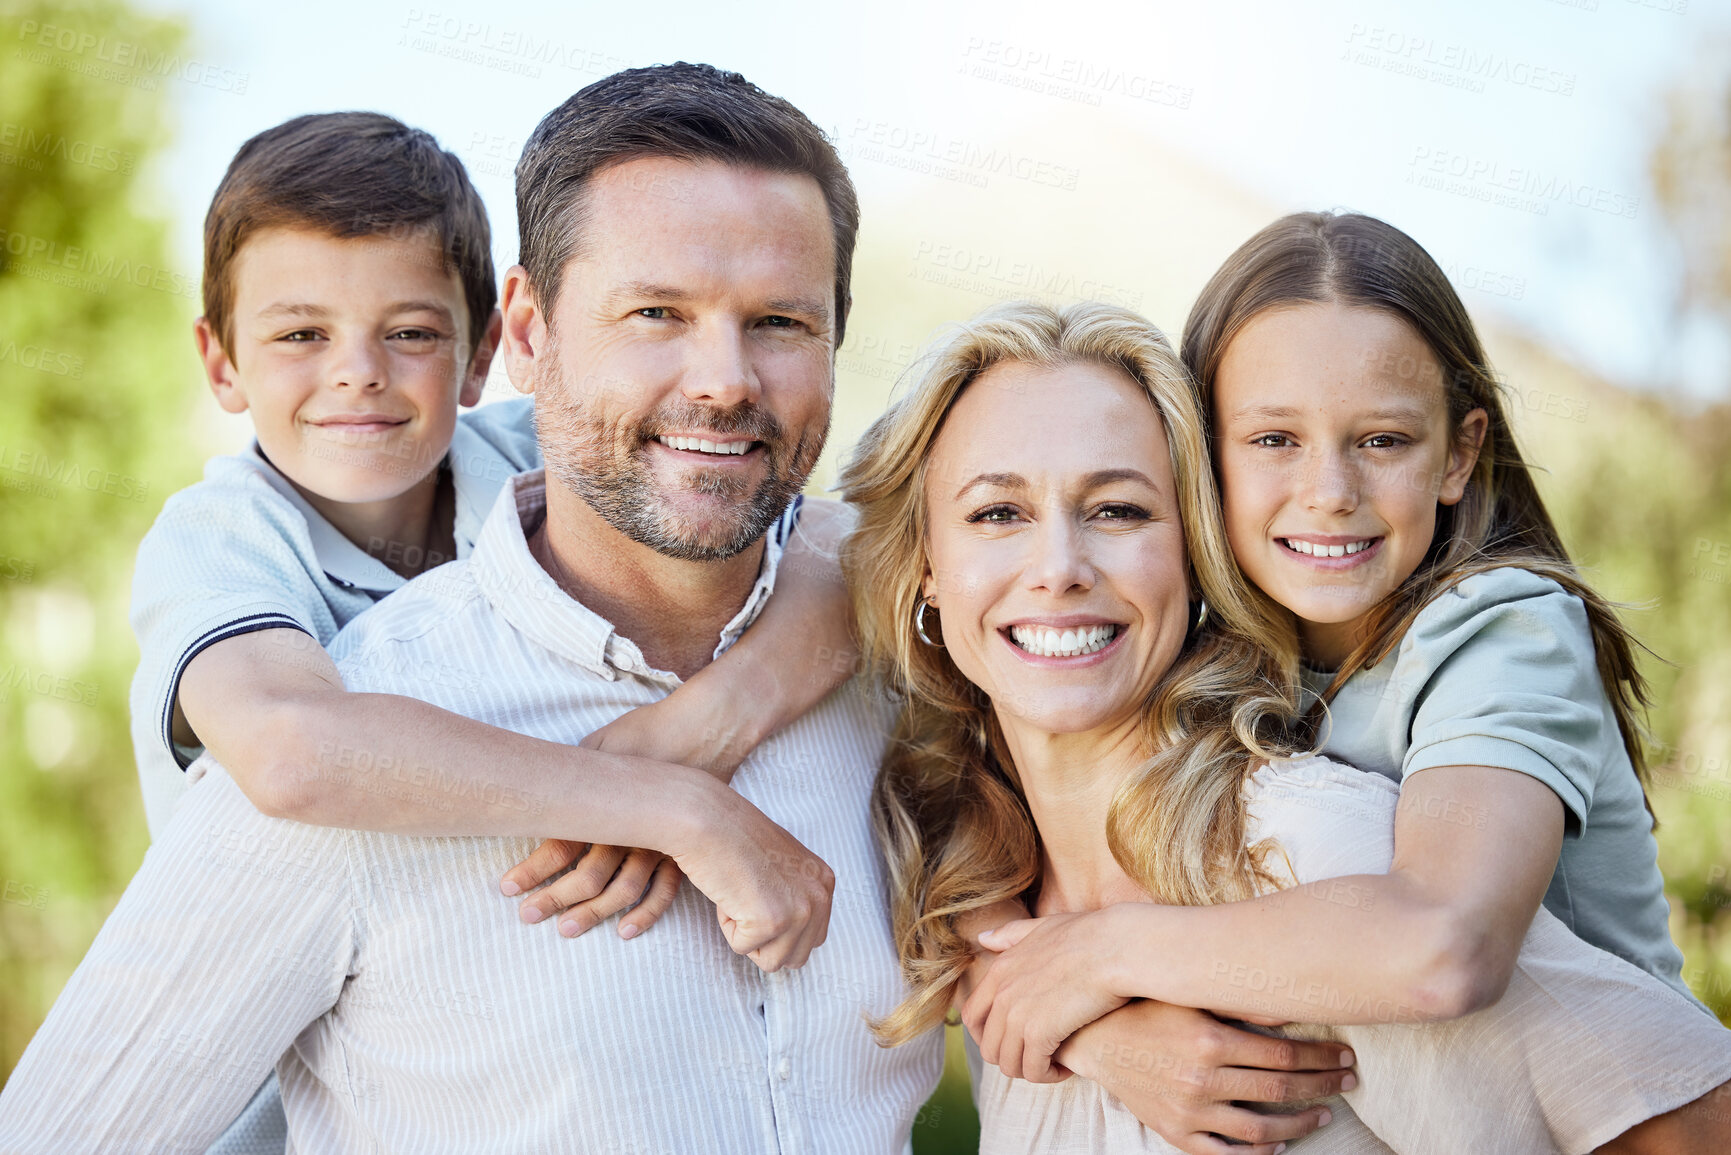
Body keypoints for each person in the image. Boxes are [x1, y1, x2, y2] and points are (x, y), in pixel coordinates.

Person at [0, 63, 941, 1153]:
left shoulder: (894, 657)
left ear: (483, 354)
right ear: (534, 334)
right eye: (654, 313)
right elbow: (293, 753)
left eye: (778, 319)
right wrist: (673, 806)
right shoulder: (304, 656)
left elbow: (843, 542)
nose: (723, 379)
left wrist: (688, 737)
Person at [840, 299, 1731, 1153]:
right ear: (924, 565)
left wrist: (1104, 961)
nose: (1059, 567)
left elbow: (1694, 1128)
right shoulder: (972, 876)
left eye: (1118, 509)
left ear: (1196, 550)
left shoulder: (1302, 847)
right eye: (997, 513)